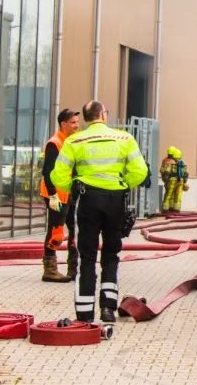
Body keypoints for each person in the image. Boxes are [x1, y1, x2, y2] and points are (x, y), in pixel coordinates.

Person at [51, 101, 148, 323]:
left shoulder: (75, 140)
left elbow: (57, 176)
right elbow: (140, 171)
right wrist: (123, 184)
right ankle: (108, 309)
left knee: (87, 256)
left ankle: (85, 313)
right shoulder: (124, 138)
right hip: (115, 201)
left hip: (88, 201)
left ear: (85, 118)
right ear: (103, 115)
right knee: (111, 256)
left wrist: (75, 187)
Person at [39, 108, 82, 283]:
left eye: (77, 123)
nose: (76, 126)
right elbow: (47, 171)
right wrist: (52, 196)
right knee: (56, 232)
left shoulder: (72, 142)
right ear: (63, 124)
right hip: (56, 194)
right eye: (73, 123)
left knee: (75, 231)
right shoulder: (55, 143)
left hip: (69, 193)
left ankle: (73, 269)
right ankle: (50, 270)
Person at [159, 147, 190, 213]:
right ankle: (176, 209)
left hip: (172, 180)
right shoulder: (183, 163)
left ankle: (165, 209)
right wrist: (184, 181)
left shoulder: (169, 162)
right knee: (178, 195)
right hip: (180, 181)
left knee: (169, 194)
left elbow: (167, 171)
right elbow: (187, 173)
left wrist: (166, 179)